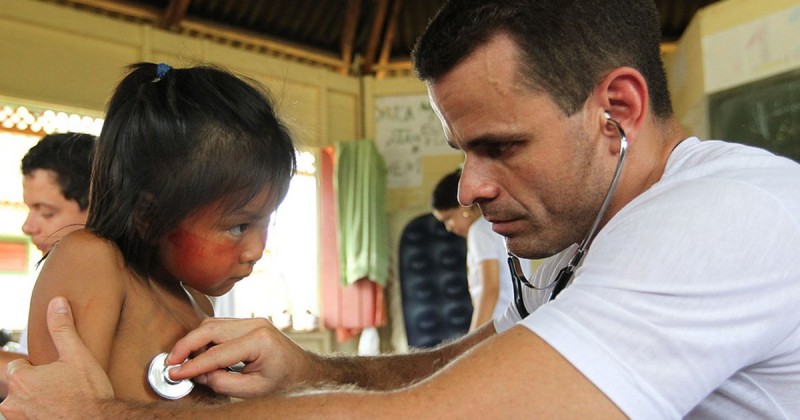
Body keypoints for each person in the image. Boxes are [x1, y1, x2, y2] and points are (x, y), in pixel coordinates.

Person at [3, 0, 800, 417]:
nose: (469, 189)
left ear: (616, 108)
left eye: (501, 146)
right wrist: (313, 372)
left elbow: (441, 413)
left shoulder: (726, 218)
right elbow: (471, 363)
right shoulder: (581, 235)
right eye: (464, 151)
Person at [23, 62, 297, 404]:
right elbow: (56, 407)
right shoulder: (92, 259)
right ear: (149, 216)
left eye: (265, 222)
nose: (256, 249)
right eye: (239, 226)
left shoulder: (198, 306)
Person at [0, 132, 95, 399]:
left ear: (97, 206)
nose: (28, 227)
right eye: (30, 209)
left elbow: (55, 387)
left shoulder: (103, 282)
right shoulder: (55, 275)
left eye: (47, 212)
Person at [432, 169, 519, 331]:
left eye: (449, 218)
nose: (449, 228)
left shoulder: (478, 232)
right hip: (517, 320)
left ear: (463, 205)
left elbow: (490, 288)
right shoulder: (499, 224)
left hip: (497, 324)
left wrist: (473, 337)